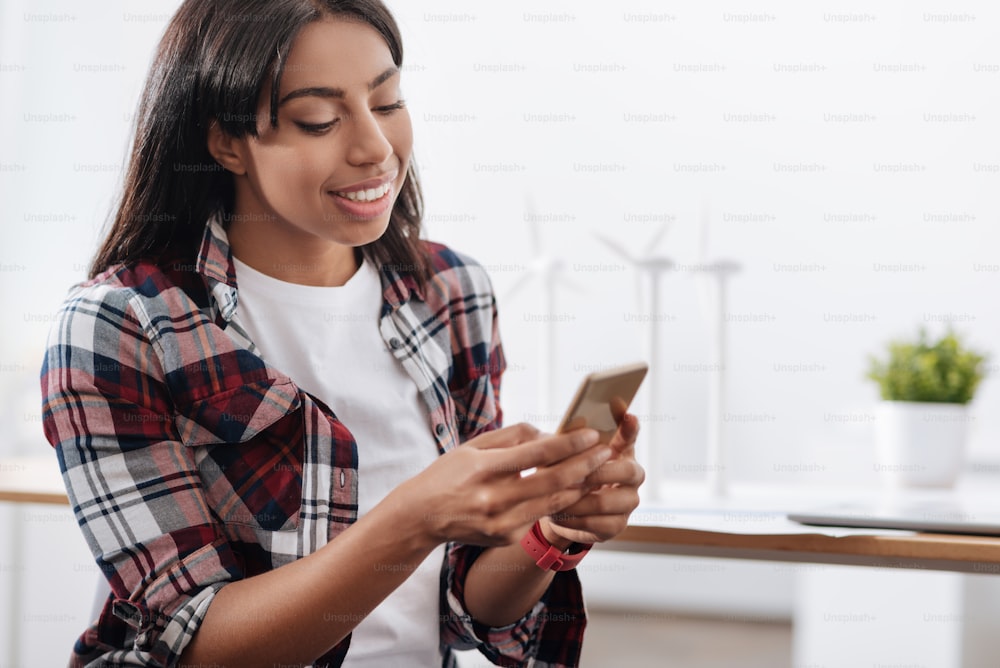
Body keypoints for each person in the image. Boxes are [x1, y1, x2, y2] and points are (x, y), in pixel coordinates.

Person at [39, 1, 644, 666]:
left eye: (387, 103)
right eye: (319, 119)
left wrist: (548, 530)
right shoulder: (124, 325)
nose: (375, 149)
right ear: (226, 142)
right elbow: (194, 642)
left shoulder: (450, 292)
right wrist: (413, 519)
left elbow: (466, 601)